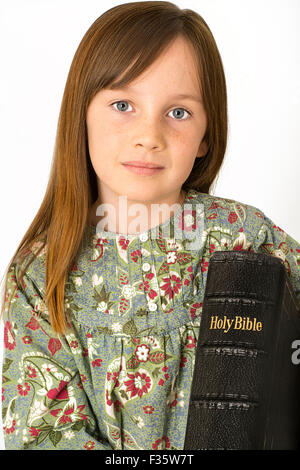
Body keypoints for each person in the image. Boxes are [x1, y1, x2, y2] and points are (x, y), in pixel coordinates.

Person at [1, 1, 299, 450]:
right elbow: (43, 435)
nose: (149, 135)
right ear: (81, 114)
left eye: (178, 113)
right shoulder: (42, 276)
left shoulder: (243, 235)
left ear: (205, 136)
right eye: (123, 104)